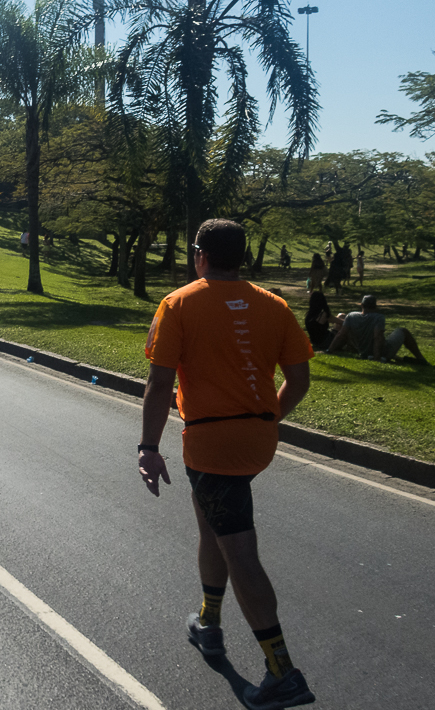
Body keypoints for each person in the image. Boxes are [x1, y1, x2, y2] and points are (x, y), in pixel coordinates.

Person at [138, 218, 316, 710]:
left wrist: (147, 447)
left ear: (199, 254)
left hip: (213, 444)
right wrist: (266, 419)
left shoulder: (178, 303)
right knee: (212, 526)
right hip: (259, 438)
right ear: (243, 256)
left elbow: (158, 383)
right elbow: (299, 379)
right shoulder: (274, 304)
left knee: (240, 550)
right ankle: (208, 624)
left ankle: (283, 672)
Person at [327, 294, 428, 364]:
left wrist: (329, 350)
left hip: (360, 350)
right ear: (375, 306)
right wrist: (377, 357)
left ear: (362, 305)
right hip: (381, 352)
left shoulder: (351, 316)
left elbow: (341, 335)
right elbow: (378, 337)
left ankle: (404, 359)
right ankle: (420, 358)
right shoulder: (378, 317)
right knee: (403, 331)